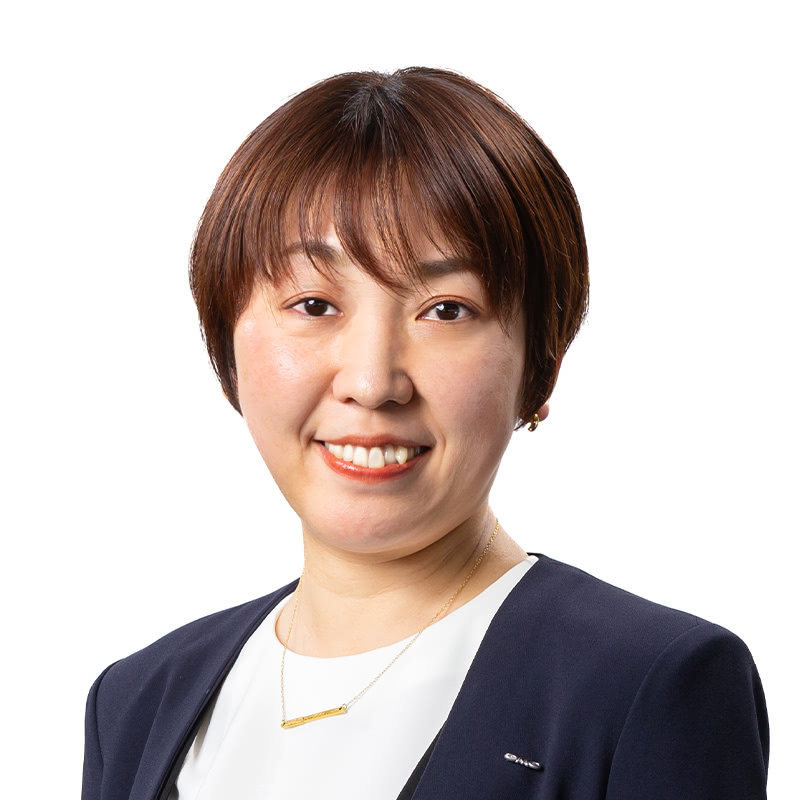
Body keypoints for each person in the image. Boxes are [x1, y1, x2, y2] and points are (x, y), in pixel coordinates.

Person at [81, 67, 769, 800]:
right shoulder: (136, 703)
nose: (372, 381)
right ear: (226, 348)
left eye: (446, 310)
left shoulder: (648, 686)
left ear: (540, 365)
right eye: (313, 304)